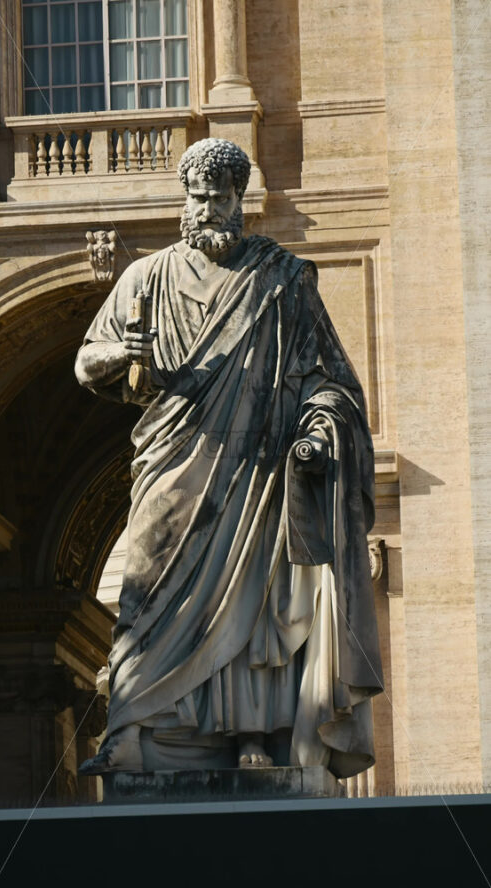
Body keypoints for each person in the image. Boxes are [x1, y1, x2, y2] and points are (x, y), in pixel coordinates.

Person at [75, 138, 383, 777]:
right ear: (183, 200)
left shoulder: (283, 280)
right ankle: (131, 725)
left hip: (258, 470)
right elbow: (87, 363)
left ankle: (250, 732)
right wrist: (124, 354)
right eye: (199, 197)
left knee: (252, 599)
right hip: (172, 461)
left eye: (221, 197)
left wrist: (319, 429)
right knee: (146, 589)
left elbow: (331, 378)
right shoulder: (146, 276)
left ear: (241, 199)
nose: (209, 208)